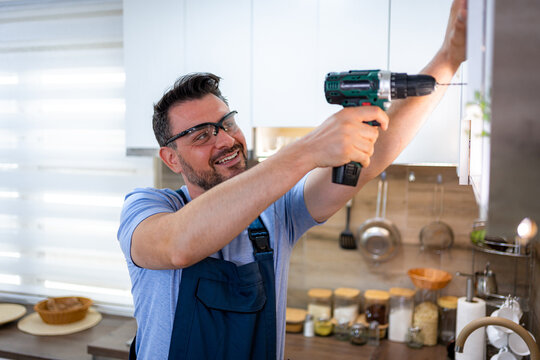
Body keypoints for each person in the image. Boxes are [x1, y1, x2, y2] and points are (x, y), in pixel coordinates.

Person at [118, 1, 467, 358]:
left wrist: (449, 57)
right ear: (171, 158)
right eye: (202, 135)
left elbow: (374, 155)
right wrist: (307, 149)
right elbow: (179, 245)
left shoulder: (276, 213)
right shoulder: (147, 209)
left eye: (227, 123)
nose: (225, 140)